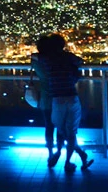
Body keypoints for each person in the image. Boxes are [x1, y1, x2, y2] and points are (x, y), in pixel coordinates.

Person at [40, 33, 94, 172]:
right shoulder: (68, 58)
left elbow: (37, 56)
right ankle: (69, 161)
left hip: (57, 100)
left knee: (61, 130)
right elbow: (79, 61)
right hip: (72, 97)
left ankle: (65, 154)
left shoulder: (47, 60)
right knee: (71, 133)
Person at [31, 35, 64, 167]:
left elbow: (33, 56)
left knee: (48, 127)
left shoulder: (36, 61)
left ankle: (50, 154)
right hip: (58, 97)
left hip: (45, 100)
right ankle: (59, 151)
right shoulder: (54, 61)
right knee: (60, 128)